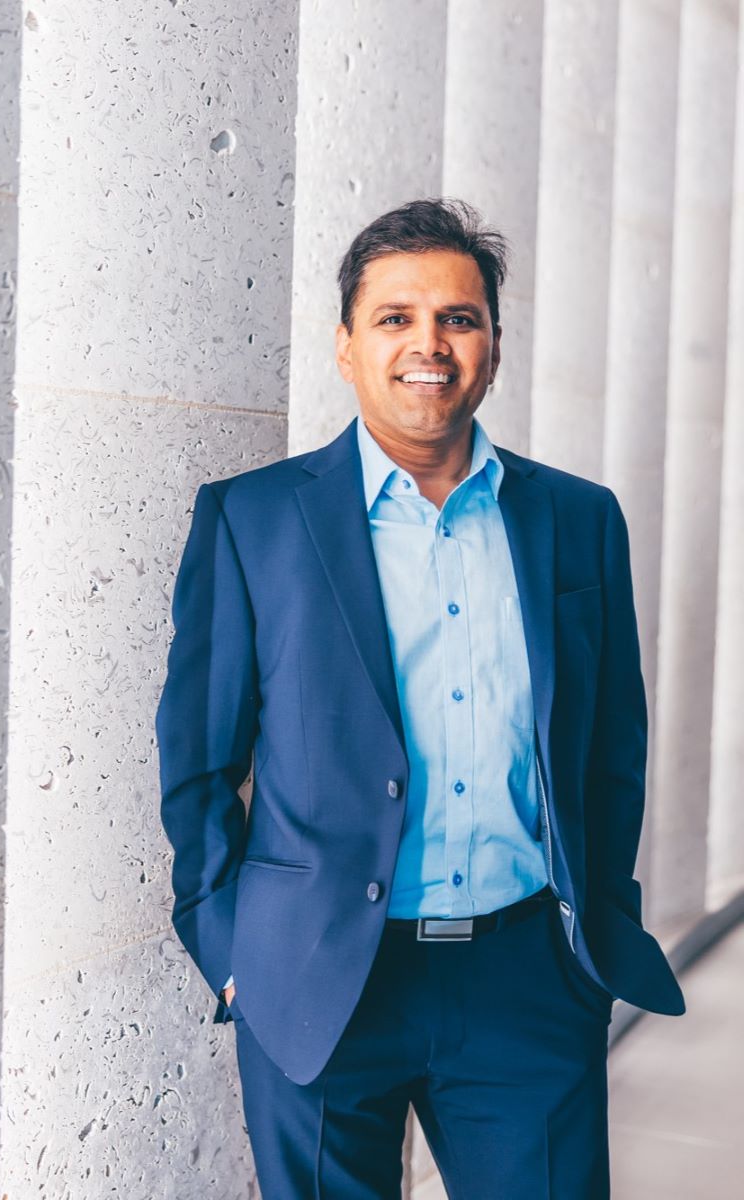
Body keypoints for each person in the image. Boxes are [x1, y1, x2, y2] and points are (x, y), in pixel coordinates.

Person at [154, 197, 685, 1199]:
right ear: (347, 346)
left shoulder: (577, 521)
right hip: (314, 979)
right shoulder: (253, 521)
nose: (428, 345)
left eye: (459, 317)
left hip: (524, 977)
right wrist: (230, 950)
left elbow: (611, 747)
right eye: (395, 317)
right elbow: (197, 761)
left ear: (491, 344)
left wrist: (594, 924)